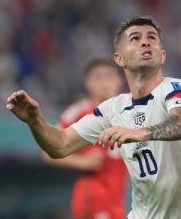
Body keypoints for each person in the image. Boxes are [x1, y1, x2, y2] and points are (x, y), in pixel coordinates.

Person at [7, 16, 181, 219]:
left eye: (152, 38)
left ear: (162, 55)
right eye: (135, 38)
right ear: (119, 59)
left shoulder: (176, 89)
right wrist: (35, 121)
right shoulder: (112, 109)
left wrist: (139, 133)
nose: (145, 42)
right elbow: (59, 146)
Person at [42, 57, 129, 219]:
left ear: (120, 81)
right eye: (98, 77)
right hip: (91, 200)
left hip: (117, 202)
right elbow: (48, 152)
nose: (104, 83)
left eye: (109, 77)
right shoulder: (77, 113)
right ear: (87, 83)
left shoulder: (129, 113)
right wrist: (82, 162)